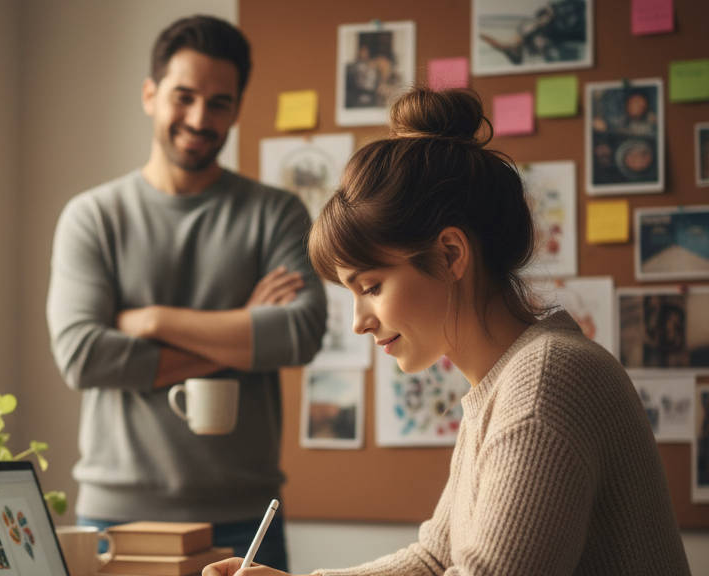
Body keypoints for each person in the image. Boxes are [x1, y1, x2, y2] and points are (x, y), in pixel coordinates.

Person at [204, 87, 690, 576]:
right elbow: (435, 559)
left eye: (370, 286)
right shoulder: (507, 379)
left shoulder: (543, 384)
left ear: (451, 254)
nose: (358, 322)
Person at [46, 15, 327, 571]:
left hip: (248, 519)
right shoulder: (93, 217)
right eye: (184, 96)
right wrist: (243, 328)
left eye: (219, 103)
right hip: (115, 518)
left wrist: (150, 319)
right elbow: (82, 356)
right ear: (150, 94)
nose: (200, 119)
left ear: (237, 109)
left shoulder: (276, 212)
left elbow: (299, 334)